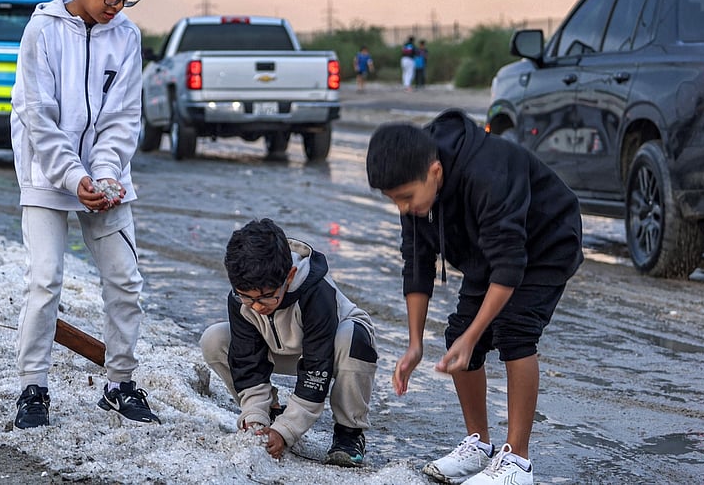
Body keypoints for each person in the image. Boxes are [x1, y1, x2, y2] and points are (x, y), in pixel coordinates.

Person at [365, 112, 583, 485]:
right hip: (490, 249)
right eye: (393, 200)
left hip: (547, 241)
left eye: (405, 198)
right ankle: (479, 446)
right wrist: (415, 344)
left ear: (435, 172)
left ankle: (517, 462)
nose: (402, 208)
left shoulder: (489, 171)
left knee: (514, 332)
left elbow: (510, 265)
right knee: (459, 335)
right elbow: (417, 262)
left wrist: (474, 336)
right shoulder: (414, 187)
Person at [10, 0, 160, 429]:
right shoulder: (42, 31)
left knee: (125, 281)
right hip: (47, 177)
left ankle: (120, 384)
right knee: (45, 281)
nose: (116, 5)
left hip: (106, 182)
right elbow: (38, 114)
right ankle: (32, 388)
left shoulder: (127, 36)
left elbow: (123, 117)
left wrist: (107, 175)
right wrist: (74, 178)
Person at [200, 218, 378, 468]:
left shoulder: (316, 292)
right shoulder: (241, 299)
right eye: (248, 298)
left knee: (352, 337)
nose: (258, 306)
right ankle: (271, 412)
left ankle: (349, 434)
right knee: (214, 339)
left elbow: (316, 370)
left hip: (333, 350)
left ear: (290, 275)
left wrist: (286, 431)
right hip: (280, 348)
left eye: (266, 297)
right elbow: (246, 361)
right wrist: (255, 418)